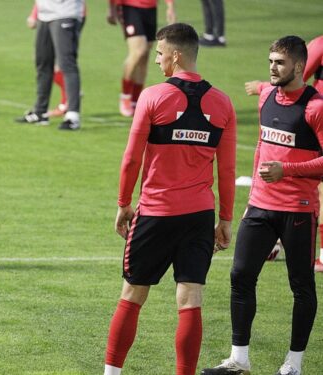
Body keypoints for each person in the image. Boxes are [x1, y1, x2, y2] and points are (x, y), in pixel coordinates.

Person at [104, 23, 236, 375]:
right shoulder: (223, 103)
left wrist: (122, 204)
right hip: (198, 217)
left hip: (156, 213)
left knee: (132, 296)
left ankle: (111, 373)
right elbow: (227, 168)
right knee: (190, 299)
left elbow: (132, 158)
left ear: (176, 55)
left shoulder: (152, 96)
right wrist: (224, 219)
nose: (158, 59)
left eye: (160, 53)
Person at [202, 36, 323, 375]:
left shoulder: (316, 108)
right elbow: (261, 148)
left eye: (280, 62)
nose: (272, 67)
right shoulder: (267, 96)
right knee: (240, 276)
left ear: (299, 67)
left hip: (298, 210)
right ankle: (239, 359)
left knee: (301, 286)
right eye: (270, 61)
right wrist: (252, 195)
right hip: (260, 207)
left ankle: (294, 364)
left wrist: (289, 170)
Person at [243, 34, 323, 273]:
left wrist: (260, 87)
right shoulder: (319, 45)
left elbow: (297, 75)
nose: (273, 67)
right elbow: (294, 78)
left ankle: (280, 241)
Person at [15, 0, 86, 130]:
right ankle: (40, 111)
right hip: (45, 15)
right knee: (43, 63)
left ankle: (72, 116)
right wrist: (35, 13)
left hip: (66, 13)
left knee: (67, 64)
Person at [107, 0, 176, 117]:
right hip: (129, 6)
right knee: (139, 50)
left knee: (144, 56)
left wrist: (170, 6)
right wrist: (112, 7)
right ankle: (125, 96)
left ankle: (136, 100)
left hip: (150, 7)